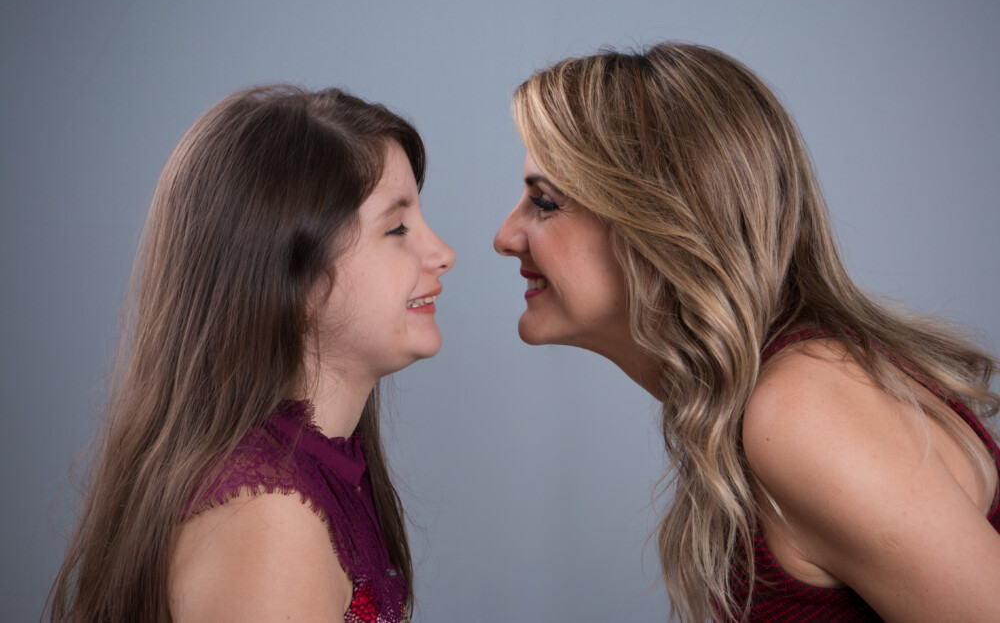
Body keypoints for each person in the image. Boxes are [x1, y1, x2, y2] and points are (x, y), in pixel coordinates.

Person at [494, 42, 1000, 622]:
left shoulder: (803, 410)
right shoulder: (773, 395)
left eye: (544, 203)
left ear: (663, 222)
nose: (504, 237)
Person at [47, 85, 454, 622]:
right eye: (397, 227)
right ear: (292, 276)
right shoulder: (266, 522)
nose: (443, 254)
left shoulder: (315, 477)